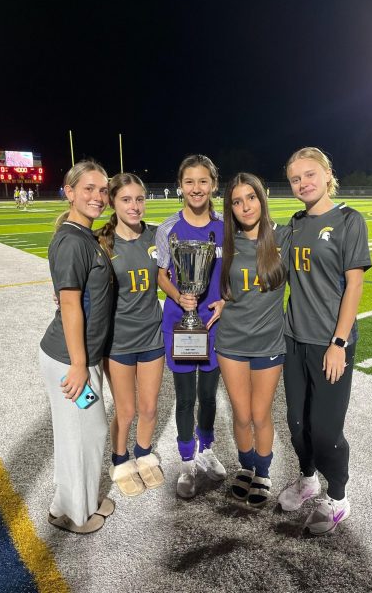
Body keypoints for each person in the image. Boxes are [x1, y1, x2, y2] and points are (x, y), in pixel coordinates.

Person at [278, 147, 371, 535]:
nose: (303, 183)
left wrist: (339, 341)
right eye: (296, 178)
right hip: (293, 339)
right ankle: (308, 478)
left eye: (310, 174)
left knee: (327, 430)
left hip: (330, 343)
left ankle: (338, 498)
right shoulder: (294, 224)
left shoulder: (349, 220)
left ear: (327, 173)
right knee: (297, 424)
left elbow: (354, 284)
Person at [39, 160, 115, 534]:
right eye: (89, 188)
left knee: (83, 431)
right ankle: (76, 514)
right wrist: (80, 364)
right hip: (70, 359)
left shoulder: (84, 236)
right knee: (83, 433)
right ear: (69, 192)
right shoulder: (71, 241)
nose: (98, 197)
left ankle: (67, 503)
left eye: (103, 190)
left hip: (78, 356)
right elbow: (69, 306)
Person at [215, 173, 289, 507]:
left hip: (269, 342)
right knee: (241, 413)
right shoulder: (227, 243)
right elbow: (225, 286)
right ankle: (246, 468)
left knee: (261, 414)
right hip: (231, 341)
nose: (245, 206)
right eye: (237, 200)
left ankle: (263, 471)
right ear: (230, 207)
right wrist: (221, 300)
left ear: (262, 198)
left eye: (251, 197)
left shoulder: (283, 237)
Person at [156, 154, 226, 498]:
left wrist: (225, 300)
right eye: (189, 182)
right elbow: (161, 275)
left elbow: (233, 273)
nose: (196, 188)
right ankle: (186, 462)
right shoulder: (168, 228)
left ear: (213, 184)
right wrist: (179, 295)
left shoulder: (226, 226)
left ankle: (207, 449)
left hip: (213, 326)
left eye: (203, 181)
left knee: (209, 396)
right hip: (180, 325)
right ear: (180, 185)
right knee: (184, 399)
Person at [96, 173, 165, 496]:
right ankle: (119, 458)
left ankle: (143, 452)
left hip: (152, 334)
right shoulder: (101, 243)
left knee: (149, 407)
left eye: (139, 199)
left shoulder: (156, 236)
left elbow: (169, 276)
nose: (134, 206)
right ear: (112, 202)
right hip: (118, 340)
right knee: (126, 410)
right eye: (126, 199)